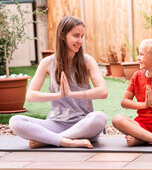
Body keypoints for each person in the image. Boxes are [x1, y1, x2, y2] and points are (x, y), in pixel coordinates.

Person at [9, 16, 108, 149]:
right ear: (62, 35)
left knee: (99, 117)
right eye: (76, 35)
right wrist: (59, 95)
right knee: (15, 121)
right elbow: (30, 95)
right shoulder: (47, 63)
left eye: (82, 36)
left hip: (83, 125)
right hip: (56, 123)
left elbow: (103, 92)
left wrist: (71, 94)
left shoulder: (87, 61)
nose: (80, 41)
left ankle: (49, 140)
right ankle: (67, 141)